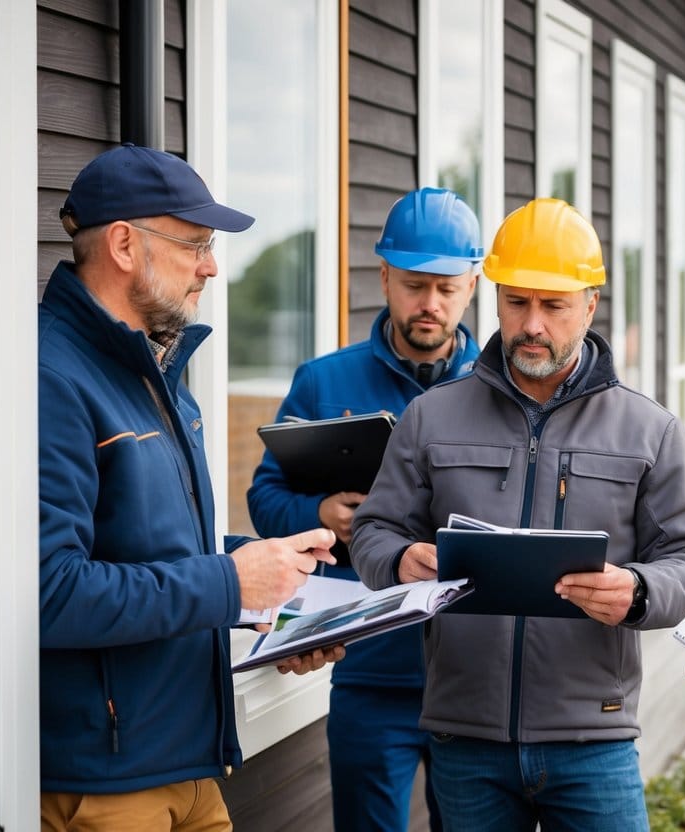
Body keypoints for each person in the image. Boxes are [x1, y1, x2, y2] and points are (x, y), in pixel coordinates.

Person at [350, 197, 685, 831]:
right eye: (517, 301)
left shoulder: (649, 429)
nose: (532, 325)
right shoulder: (431, 416)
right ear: (494, 295)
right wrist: (398, 559)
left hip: (595, 738)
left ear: (590, 305)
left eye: (554, 306)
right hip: (465, 739)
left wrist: (637, 590)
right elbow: (372, 531)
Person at [39, 143, 342, 831]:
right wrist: (230, 583)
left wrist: (278, 589)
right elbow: (47, 591)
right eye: (194, 243)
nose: (210, 264)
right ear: (122, 243)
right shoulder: (50, 376)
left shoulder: (149, 370)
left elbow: (158, 549)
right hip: (107, 782)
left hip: (187, 764)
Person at [246, 187, 482, 832]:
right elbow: (264, 500)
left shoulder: (502, 393)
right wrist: (324, 513)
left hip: (476, 677)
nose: (429, 304)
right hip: (367, 668)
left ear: (472, 285)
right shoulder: (324, 382)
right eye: (412, 285)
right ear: (383, 277)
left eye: (445, 287)